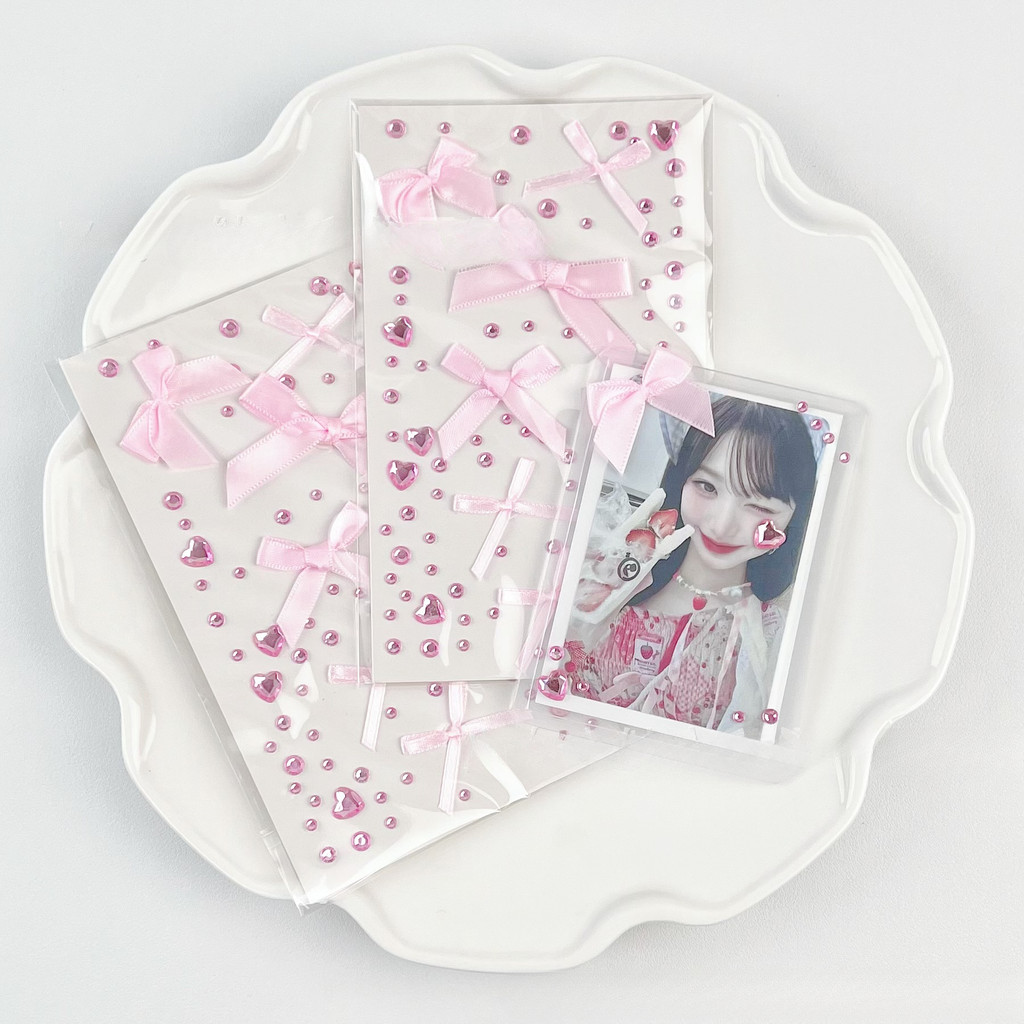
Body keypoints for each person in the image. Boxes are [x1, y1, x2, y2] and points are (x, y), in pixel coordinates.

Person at [564, 396, 818, 736]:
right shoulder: (606, 580)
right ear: (681, 480)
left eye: (759, 506)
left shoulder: (775, 640)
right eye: (707, 487)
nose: (721, 525)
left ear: (794, 517)